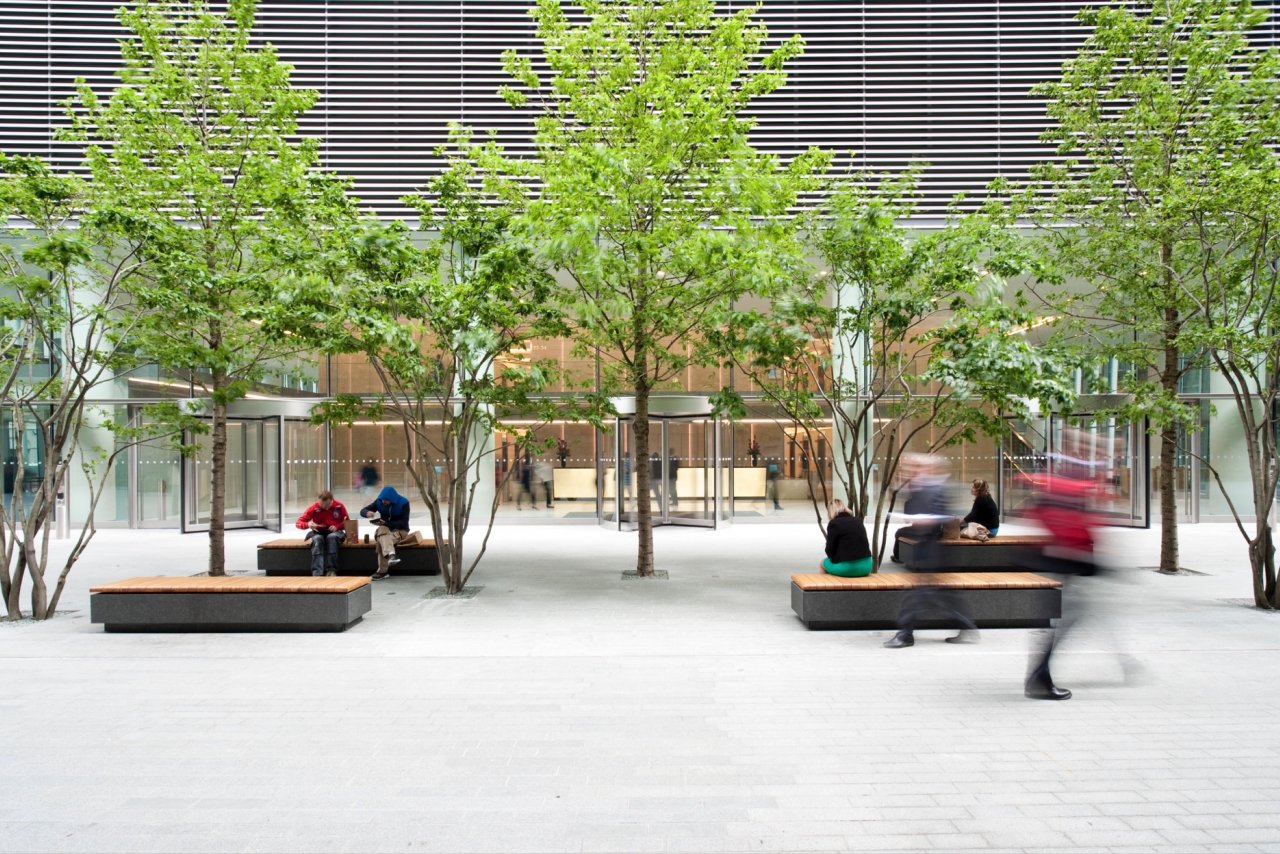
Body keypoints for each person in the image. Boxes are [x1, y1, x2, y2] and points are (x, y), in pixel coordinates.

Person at [884, 454, 979, 648]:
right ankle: (966, 625)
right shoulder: (920, 487)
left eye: (915, 466)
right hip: (924, 547)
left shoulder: (940, 488)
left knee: (918, 593)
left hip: (935, 548)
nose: (912, 470)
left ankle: (906, 633)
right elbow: (909, 514)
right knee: (940, 593)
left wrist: (923, 519)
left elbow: (942, 517)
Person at [360, 485, 410, 579]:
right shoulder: (379, 501)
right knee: (382, 530)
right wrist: (367, 513)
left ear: (392, 499)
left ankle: (382, 572)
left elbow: (404, 522)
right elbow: (363, 510)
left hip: (400, 531)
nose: (383, 502)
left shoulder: (404, 503)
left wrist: (387, 523)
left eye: (386, 500)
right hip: (385, 529)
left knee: (381, 537)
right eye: (382, 499)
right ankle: (391, 555)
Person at [295, 490, 350, 576]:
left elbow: (347, 522)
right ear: (318, 501)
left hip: (335, 533)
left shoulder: (339, 506)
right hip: (319, 532)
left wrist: (337, 526)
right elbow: (298, 523)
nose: (324, 507)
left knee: (331, 537)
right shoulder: (313, 508)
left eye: (327, 505)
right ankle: (317, 572)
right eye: (322, 505)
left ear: (332, 500)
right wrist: (308, 524)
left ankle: (331, 570)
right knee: (317, 539)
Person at [820, 499, 872, 577]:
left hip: (847, 568)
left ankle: (824, 587)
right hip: (867, 566)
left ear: (830, 512)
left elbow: (829, 552)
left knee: (822, 563)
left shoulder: (834, 524)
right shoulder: (858, 521)